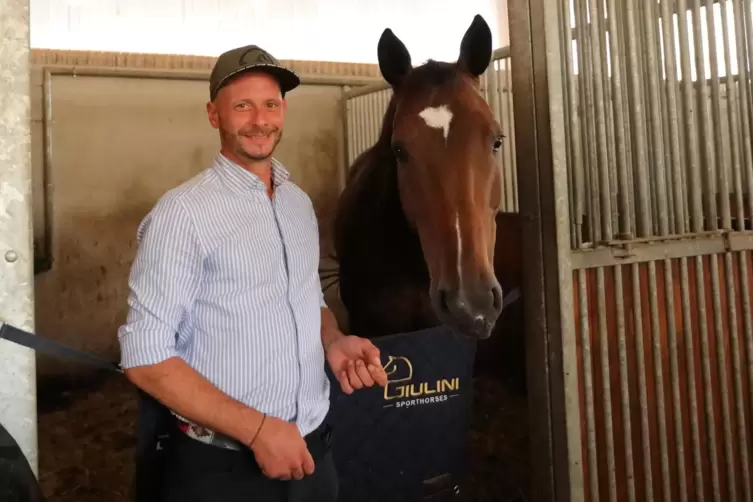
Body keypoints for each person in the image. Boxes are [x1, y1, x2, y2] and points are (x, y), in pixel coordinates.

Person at [116, 44, 388, 502]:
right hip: (224, 468)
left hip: (312, 451)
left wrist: (333, 340)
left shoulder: (297, 203)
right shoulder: (183, 213)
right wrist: (258, 430)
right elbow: (144, 356)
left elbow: (307, 298)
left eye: (270, 104)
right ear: (213, 115)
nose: (260, 119)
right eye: (242, 105)